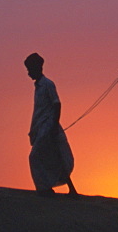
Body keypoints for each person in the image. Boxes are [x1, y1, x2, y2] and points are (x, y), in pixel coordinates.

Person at [24, 53, 78, 198]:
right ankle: (68, 189)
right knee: (54, 156)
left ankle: (44, 189)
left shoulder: (48, 84)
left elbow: (57, 104)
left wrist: (53, 127)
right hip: (42, 126)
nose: (28, 73)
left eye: (30, 69)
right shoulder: (38, 87)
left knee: (36, 157)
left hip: (48, 126)